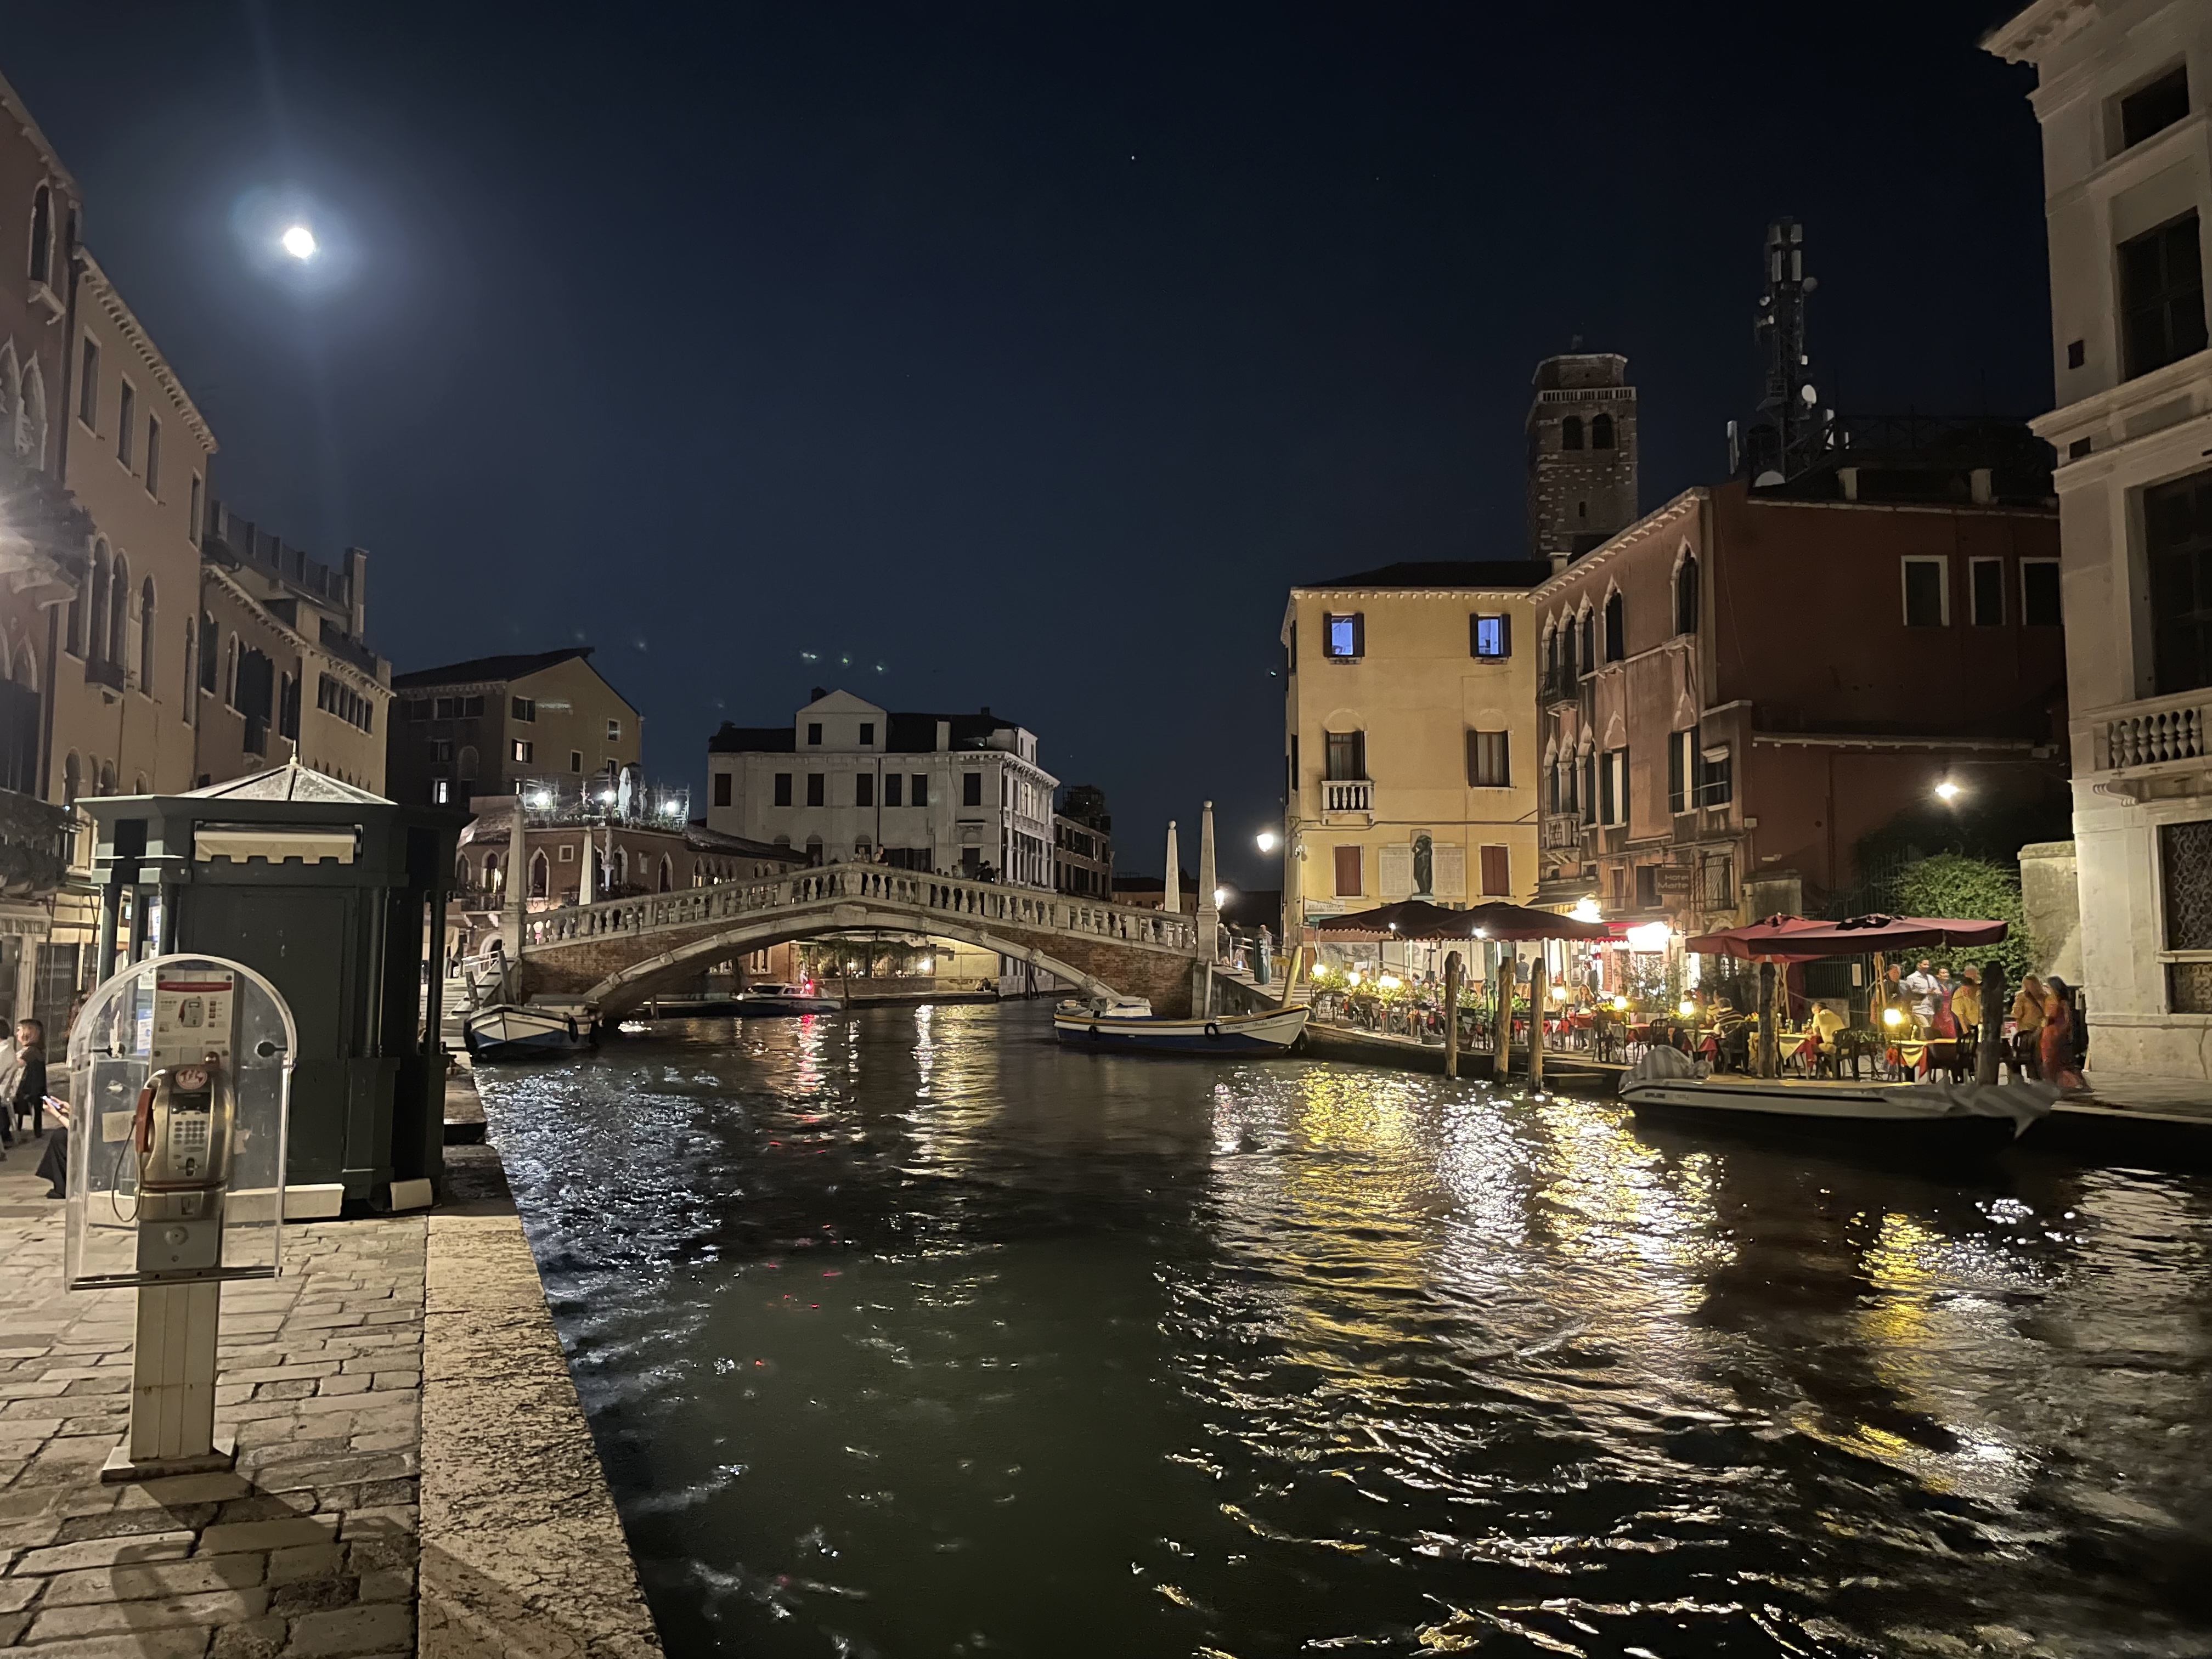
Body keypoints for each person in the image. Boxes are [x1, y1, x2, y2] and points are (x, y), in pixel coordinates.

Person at [2041, 977, 2085, 1088]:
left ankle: (2070, 1083)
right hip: (2053, 1034)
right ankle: (2060, 1083)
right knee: (2055, 1062)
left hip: (2054, 1035)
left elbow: (2051, 1018)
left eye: (2047, 986)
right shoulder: (2059, 1002)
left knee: (2053, 1061)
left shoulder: (2055, 1003)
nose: (2045, 988)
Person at [9, 1020, 45, 1137]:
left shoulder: (31, 1051)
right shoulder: (33, 1050)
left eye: (19, 1030)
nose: (16, 1033)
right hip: (32, 1089)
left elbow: (14, 1065)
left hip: (28, 1091)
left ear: (28, 1032)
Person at [2011, 974, 2046, 1080]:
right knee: (2030, 1056)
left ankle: (2040, 1077)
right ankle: (2033, 1077)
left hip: (2040, 1029)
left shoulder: (2044, 997)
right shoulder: (2022, 997)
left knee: (2038, 1056)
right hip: (2027, 1031)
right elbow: (2016, 1014)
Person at [1902, 958, 1943, 1035]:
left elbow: (1938, 991)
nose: (1927, 967)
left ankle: (1923, 1045)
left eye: (1928, 965)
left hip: (1930, 1009)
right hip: (1917, 1009)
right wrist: (1924, 992)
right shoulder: (1912, 978)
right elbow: (1906, 993)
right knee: (1926, 1029)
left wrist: (1934, 992)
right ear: (1919, 965)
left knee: (1927, 1033)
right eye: (1925, 964)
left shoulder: (1931, 978)